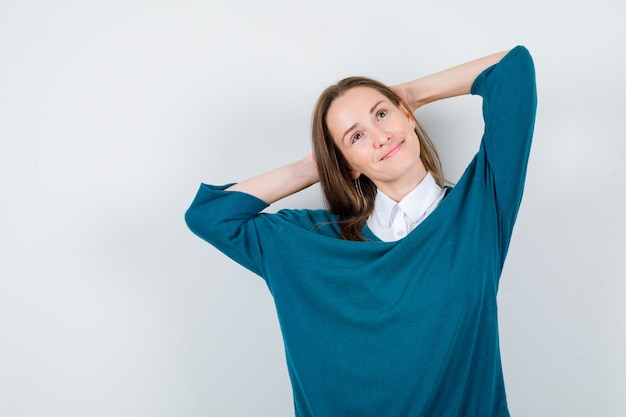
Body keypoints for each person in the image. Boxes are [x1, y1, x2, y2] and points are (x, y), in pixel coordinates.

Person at [185, 45, 537, 417]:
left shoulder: (478, 208)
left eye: (382, 114)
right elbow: (210, 215)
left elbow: (512, 69)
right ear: (346, 164)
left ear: (407, 117)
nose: (380, 136)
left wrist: (410, 94)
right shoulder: (309, 243)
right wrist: (316, 166)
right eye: (356, 137)